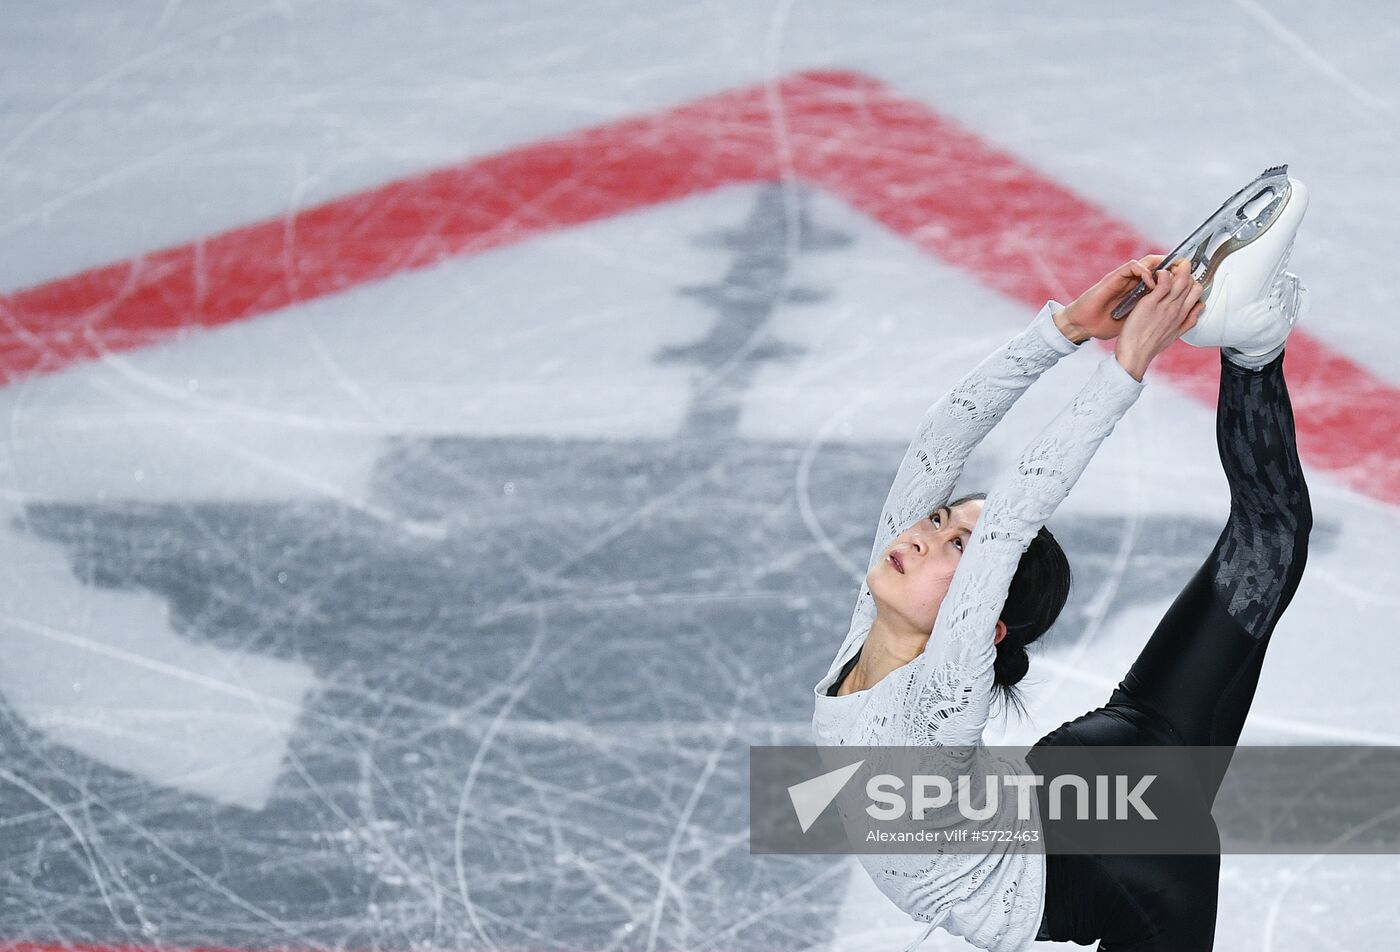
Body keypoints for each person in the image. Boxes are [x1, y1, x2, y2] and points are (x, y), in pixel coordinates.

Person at [811, 177, 1312, 951]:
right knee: (1266, 544)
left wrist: (1128, 365)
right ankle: (1254, 347)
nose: (917, 537)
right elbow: (940, 443)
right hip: (1087, 776)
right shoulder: (872, 624)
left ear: (981, 621)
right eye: (940, 523)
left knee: (1267, 549)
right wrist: (1065, 329)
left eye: (954, 547)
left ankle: (1253, 346)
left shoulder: (939, 701)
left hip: (1129, 870)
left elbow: (1011, 519)